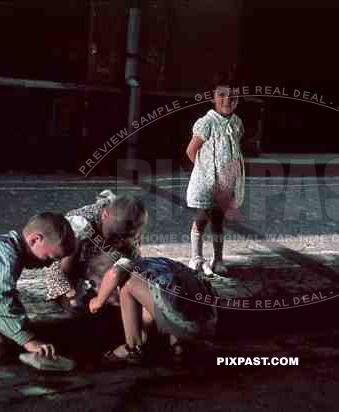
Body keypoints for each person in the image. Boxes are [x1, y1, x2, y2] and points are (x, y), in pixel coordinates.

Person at [0, 212, 76, 360]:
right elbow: (0, 302)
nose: (48, 265)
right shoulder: (5, 255)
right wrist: (28, 340)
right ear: (35, 240)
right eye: (50, 258)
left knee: (5, 332)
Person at [86, 253, 218, 364]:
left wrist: (98, 301)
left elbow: (114, 274)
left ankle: (132, 349)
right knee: (167, 291)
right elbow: (148, 315)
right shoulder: (152, 266)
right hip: (209, 321)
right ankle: (179, 345)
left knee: (128, 285)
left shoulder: (125, 266)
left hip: (189, 323)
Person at [44, 191, 148, 314]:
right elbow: (65, 268)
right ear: (104, 215)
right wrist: (71, 294)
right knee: (75, 306)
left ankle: (105, 287)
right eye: (116, 236)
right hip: (69, 259)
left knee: (127, 281)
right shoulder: (80, 225)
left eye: (126, 236)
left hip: (99, 254)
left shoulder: (128, 224)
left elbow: (132, 259)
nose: (120, 241)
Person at [185, 71, 246, 275]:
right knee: (202, 218)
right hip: (206, 182)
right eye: (221, 95)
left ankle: (218, 259)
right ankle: (196, 257)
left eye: (233, 96)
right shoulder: (207, 122)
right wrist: (205, 172)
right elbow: (191, 150)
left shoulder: (237, 123)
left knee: (219, 221)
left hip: (225, 182)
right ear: (213, 97)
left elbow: (233, 150)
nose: (227, 100)